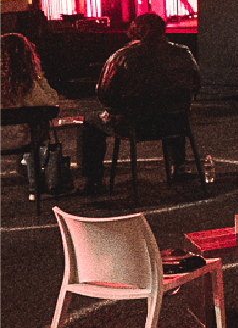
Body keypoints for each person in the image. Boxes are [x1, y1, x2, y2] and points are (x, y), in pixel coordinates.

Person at [76, 14, 200, 195]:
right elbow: (195, 85)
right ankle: (178, 167)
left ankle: (93, 179)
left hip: (134, 124)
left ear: (137, 31)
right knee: (171, 106)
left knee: (89, 123)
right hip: (175, 123)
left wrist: (118, 110)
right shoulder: (183, 53)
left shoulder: (122, 56)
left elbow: (105, 94)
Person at [2, 32, 62, 163]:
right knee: (40, 121)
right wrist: (39, 77)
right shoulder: (28, 85)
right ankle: (32, 168)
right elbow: (51, 102)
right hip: (24, 140)